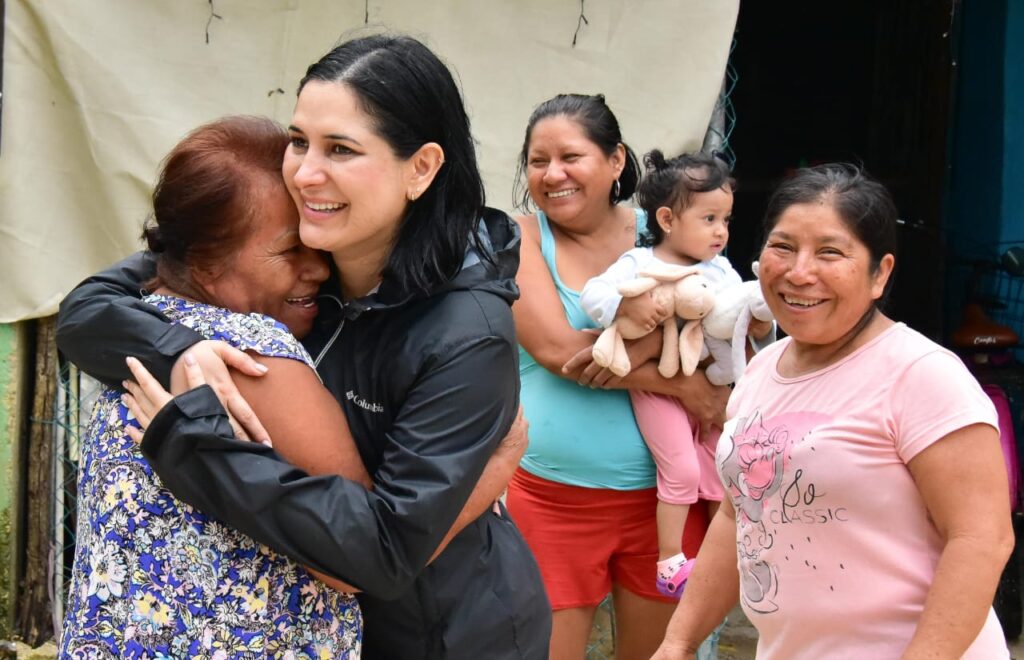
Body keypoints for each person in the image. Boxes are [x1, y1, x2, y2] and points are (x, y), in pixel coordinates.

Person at [56, 34, 551, 659]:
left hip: (448, 633)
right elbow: (91, 304)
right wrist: (178, 349)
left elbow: (383, 553)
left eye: (340, 148)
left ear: (421, 168)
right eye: (299, 141)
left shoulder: (465, 331)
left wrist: (192, 446)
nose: (304, 171)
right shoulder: (295, 247)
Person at [652, 164, 1014, 659]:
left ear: (879, 273)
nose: (800, 272)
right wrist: (677, 642)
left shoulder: (921, 374)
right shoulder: (762, 372)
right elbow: (738, 518)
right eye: (782, 247)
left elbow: (981, 538)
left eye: (830, 252)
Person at [59, 115, 365, 658]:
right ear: (203, 259)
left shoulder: (142, 317)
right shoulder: (254, 354)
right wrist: (485, 467)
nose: (318, 267)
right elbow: (360, 557)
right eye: (290, 249)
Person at [505, 93, 731, 659]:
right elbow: (563, 351)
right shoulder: (519, 236)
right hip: (551, 500)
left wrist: (638, 354)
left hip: (664, 510)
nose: (552, 174)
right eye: (537, 160)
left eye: (570, 156)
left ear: (615, 161)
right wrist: (681, 383)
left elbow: (719, 326)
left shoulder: (666, 227)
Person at [580, 150, 770, 599]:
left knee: (719, 468)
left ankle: (722, 559)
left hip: (707, 388)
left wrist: (759, 320)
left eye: (726, 219)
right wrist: (630, 306)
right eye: (709, 218)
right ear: (666, 218)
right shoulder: (639, 264)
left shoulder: (721, 270)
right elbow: (595, 295)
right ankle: (670, 563)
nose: (721, 231)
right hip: (661, 392)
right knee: (681, 470)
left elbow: (739, 315)